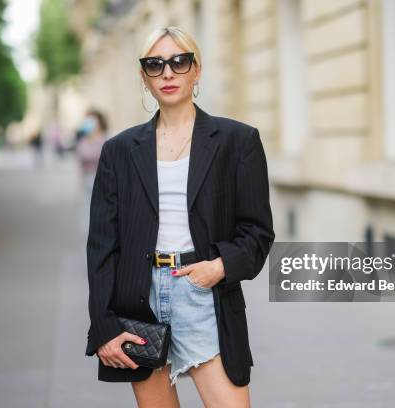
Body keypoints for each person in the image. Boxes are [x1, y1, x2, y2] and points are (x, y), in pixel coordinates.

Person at [85, 26, 275, 407]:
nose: (167, 73)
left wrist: (220, 267)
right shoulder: (119, 152)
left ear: (197, 69)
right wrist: (104, 327)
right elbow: (103, 246)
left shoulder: (238, 141)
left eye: (179, 62)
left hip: (203, 294)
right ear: (144, 77)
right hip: (140, 299)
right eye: (155, 65)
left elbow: (258, 231)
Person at [75, 109, 109, 228]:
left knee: (104, 216)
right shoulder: (83, 141)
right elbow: (80, 163)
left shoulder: (107, 140)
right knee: (87, 218)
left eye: (91, 119)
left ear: (99, 121)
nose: (88, 122)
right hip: (88, 182)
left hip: (105, 182)